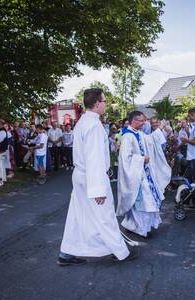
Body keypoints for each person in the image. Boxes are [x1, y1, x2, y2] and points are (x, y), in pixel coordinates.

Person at [58, 88, 134, 266]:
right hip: (92, 176)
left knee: (77, 214)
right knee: (104, 214)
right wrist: (98, 189)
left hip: (81, 175)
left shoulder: (83, 122)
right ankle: (120, 251)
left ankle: (67, 252)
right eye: (105, 101)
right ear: (98, 103)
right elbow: (95, 159)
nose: (106, 104)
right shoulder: (94, 125)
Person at [117, 111, 171, 238]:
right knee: (142, 201)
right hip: (136, 175)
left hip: (143, 173)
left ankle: (135, 225)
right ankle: (139, 228)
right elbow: (125, 159)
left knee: (146, 199)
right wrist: (141, 159)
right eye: (141, 121)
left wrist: (160, 129)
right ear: (134, 121)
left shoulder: (138, 133)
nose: (144, 123)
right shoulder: (127, 137)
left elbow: (150, 140)